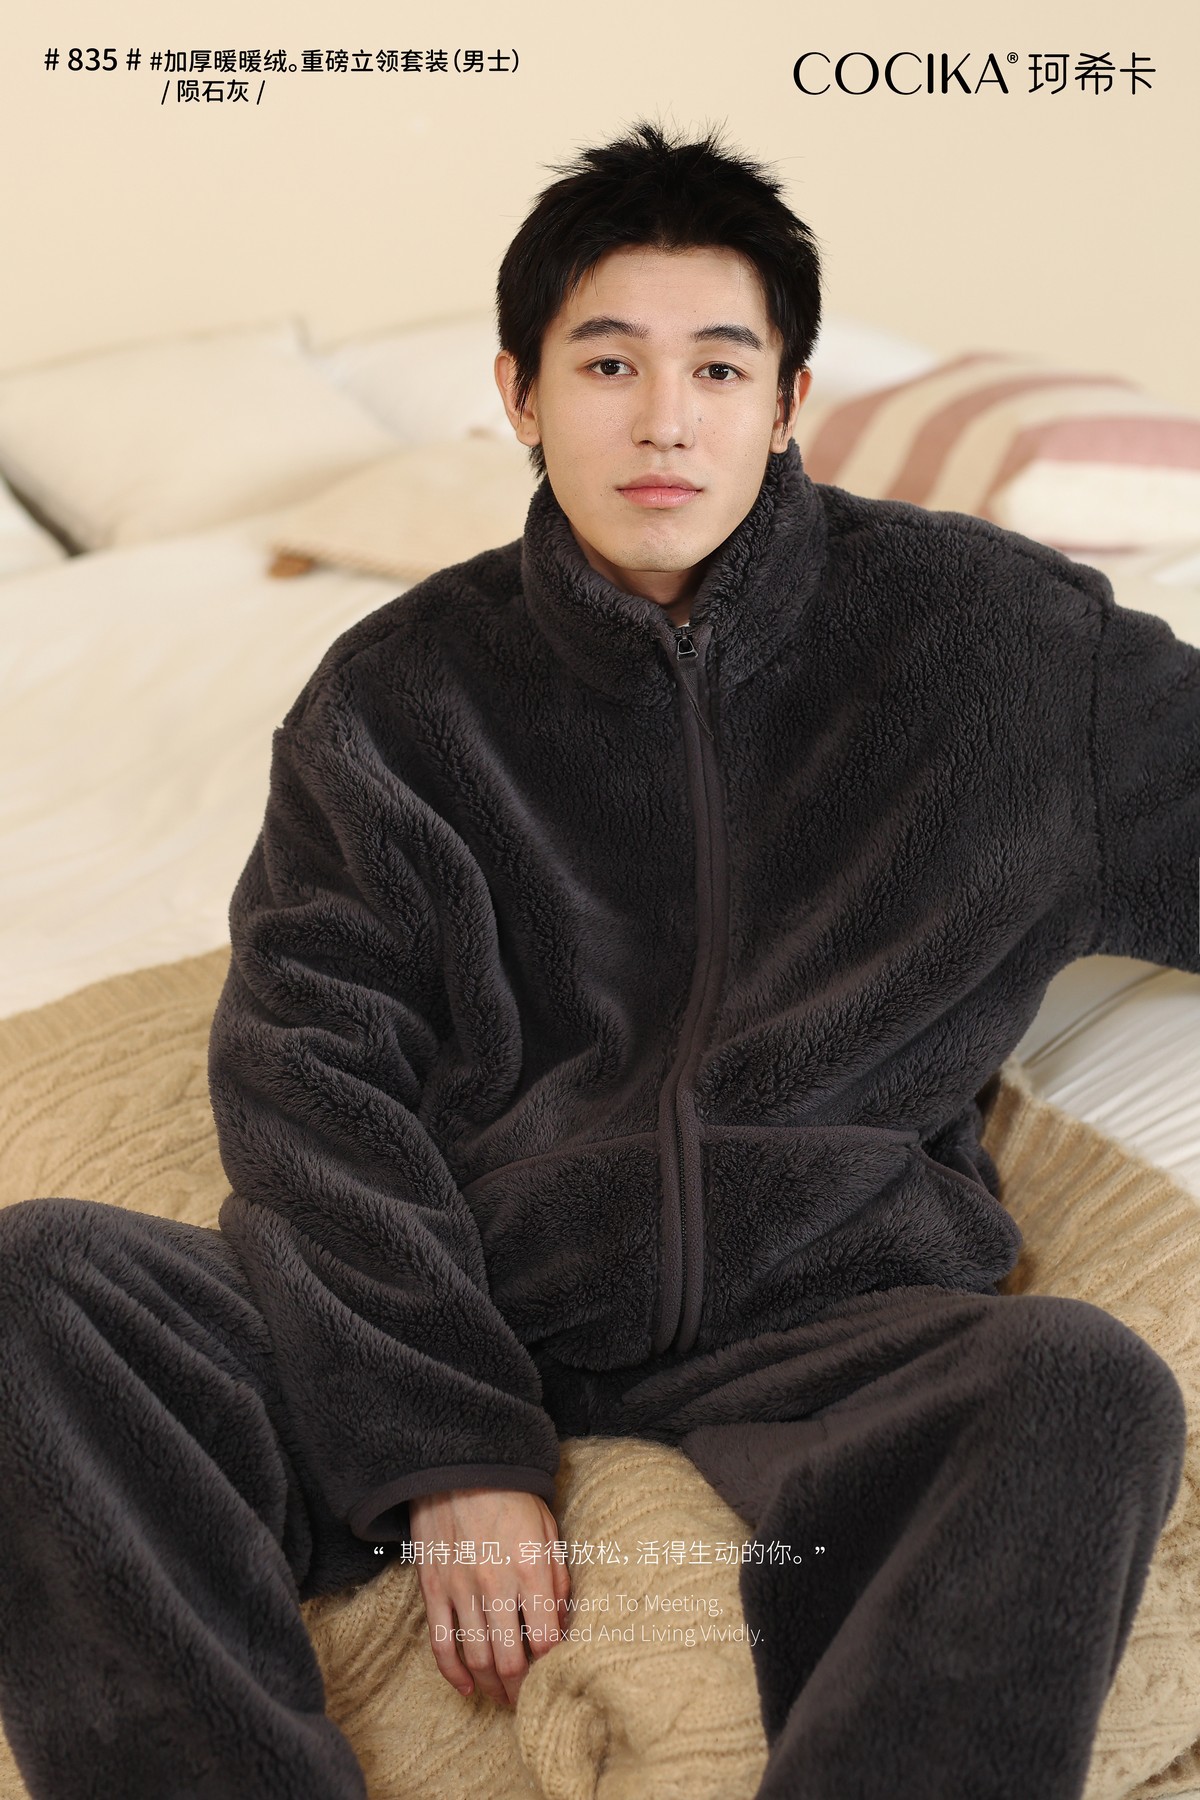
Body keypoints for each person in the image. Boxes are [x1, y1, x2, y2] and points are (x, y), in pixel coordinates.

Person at [0, 117, 1197, 1800]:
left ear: (788, 398)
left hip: (827, 1311)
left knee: (1078, 1377)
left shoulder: (1006, 649)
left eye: (719, 368)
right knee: (37, 1288)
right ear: (518, 393)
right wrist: (444, 1444)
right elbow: (308, 1082)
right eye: (609, 363)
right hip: (482, 1284)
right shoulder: (396, 702)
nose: (664, 421)